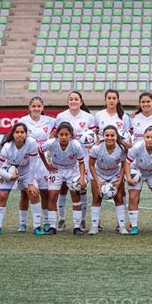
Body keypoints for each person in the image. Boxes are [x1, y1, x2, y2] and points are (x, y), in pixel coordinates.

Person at [54, 91, 96, 232]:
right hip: (64, 159)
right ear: (68, 102)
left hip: (82, 158)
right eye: (71, 99)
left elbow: (93, 137)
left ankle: (82, 221)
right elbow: (55, 136)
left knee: (81, 189)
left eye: (76, 99)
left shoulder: (89, 117)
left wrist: (91, 144)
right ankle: (61, 220)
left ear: (81, 102)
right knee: (63, 189)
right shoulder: (61, 116)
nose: (73, 101)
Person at [0, 123, 44, 235]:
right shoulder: (7, 147)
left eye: (22, 132)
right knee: (2, 195)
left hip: (26, 172)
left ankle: (36, 226)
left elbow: (33, 165)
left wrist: (30, 183)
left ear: (26, 134)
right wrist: (10, 176)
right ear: (13, 133)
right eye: (17, 132)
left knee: (34, 193)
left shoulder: (32, 143)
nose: (19, 135)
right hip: (9, 170)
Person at [39, 122, 87, 235]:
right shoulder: (51, 143)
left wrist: (82, 178)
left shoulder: (76, 145)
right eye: (61, 134)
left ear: (71, 135)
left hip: (72, 170)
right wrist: (47, 165)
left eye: (66, 134)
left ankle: (77, 226)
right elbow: (40, 151)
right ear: (57, 135)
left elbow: (81, 162)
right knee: (52, 196)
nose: (64, 137)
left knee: (75, 196)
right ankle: (52, 226)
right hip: (56, 170)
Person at [17, 96, 55, 232]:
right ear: (29, 108)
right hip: (28, 160)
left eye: (39, 106)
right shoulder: (23, 121)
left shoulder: (50, 121)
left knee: (45, 192)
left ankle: (45, 222)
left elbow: (63, 128)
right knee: (25, 193)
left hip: (44, 160)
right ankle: (22, 223)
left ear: (42, 108)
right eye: (34, 106)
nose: (36, 109)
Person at [125, 126, 152, 235]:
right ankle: (134, 226)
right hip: (137, 172)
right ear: (144, 137)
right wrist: (129, 177)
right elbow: (127, 162)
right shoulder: (137, 147)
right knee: (133, 197)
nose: (150, 139)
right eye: (147, 137)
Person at [88, 125, 128, 235]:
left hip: (115, 174)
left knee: (119, 198)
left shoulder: (122, 149)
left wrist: (119, 181)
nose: (109, 138)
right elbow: (91, 165)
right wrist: (97, 182)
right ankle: (94, 227)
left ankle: (122, 226)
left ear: (116, 136)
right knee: (96, 198)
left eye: (112, 135)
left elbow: (125, 164)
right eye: (107, 135)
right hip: (99, 174)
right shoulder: (96, 148)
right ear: (103, 136)